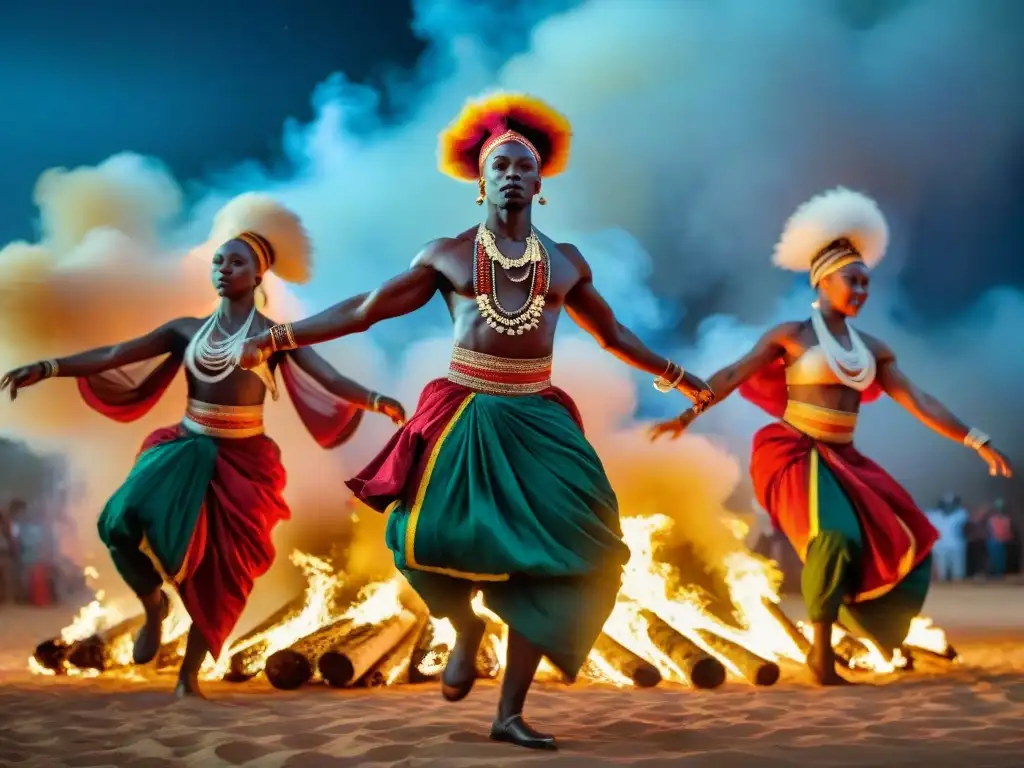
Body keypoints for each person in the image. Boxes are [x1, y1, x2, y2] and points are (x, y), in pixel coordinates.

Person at [239, 92, 714, 749]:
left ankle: (509, 712)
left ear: (541, 182)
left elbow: (612, 334)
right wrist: (280, 337)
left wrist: (679, 375)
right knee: (415, 536)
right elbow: (366, 309)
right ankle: (464, 625)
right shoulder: (449, 255)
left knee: (566, 560)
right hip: (464, 410)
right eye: (501, 165)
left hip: (541, 422)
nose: (513, 173)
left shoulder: (567, 261)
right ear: (480, 182)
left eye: (525, 165)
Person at [1, 194, 406, 698]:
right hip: (183, 447)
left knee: (219, 575)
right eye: (219, 260)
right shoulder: (185, 330)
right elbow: (115, 354)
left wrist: (375, 399)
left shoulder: (276, 338)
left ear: (258, 277)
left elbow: (329, 376)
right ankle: (153, 605)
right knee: (118, 522)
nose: (223, 269)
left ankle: (189, 677)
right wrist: (49, 367)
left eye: (236, 262)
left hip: (244, 463)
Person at [649, 187, 1013, 685]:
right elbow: (733, 373)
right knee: (834, 536)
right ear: (822, 282)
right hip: (795, 451)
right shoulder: (791, 336)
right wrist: (687, 415)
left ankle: (860, 630)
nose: (861, 291)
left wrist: (975, 439)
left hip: (845, 458)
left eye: (866, 283)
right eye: (852, 280)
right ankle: (821, 656)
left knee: (911, 538)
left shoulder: (874, 350)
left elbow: (921, 402)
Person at [927, 494, 969, 582]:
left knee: (958, 574)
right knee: (941, 574)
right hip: (939, 548)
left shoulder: (960, 514)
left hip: (956, 547)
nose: (949, 506)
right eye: (946, 504)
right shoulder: (932, 515)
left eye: (951, 504)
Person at [987, 498, 1012, 578]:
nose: (999, 509)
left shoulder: (1006, 519)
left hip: (1002, 542)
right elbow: (991, 531)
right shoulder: (992, 519)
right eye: (998, 507)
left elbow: (1008, 532)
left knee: (1001, 561)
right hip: (994, 542)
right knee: (994, 560)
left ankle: (999, 576)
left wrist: (1005, 537)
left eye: (1001, 507)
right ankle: (995, 576)